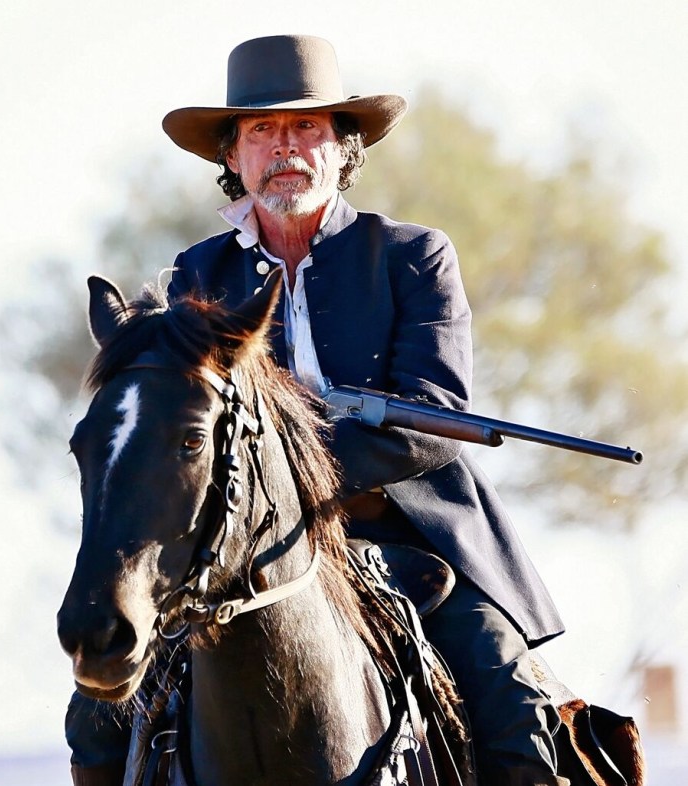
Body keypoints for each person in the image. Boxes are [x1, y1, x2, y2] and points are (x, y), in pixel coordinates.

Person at [68, 34, 569, 786]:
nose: (285, 147)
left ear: (342, 148)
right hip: (235, 547)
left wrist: (294, 469)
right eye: (261, 130)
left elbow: (433, 413)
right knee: (95, 723)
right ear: (233, 157)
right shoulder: (196, 273)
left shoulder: (414, 255)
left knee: (515, 716)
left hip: (407, 535)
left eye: (306, 127)